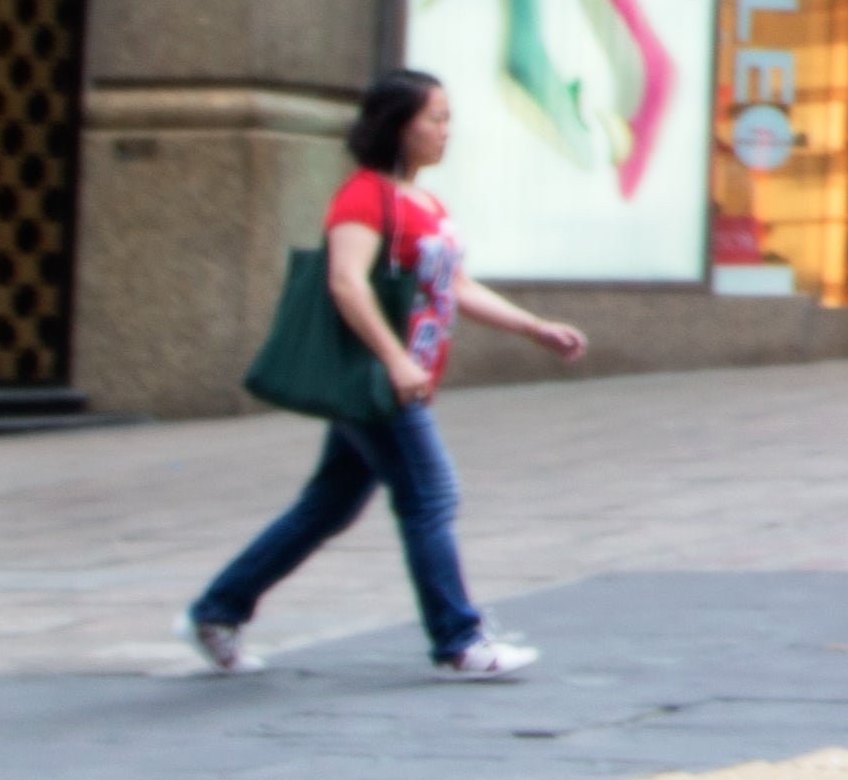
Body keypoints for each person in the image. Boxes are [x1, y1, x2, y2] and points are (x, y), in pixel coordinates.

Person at [189, 70, 580, 679]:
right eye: (436, 118)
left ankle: (219, 610)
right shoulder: (364, 195)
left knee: (328, 507)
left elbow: (455, 284)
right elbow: (345, 281)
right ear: (399, 125)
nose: (447, 131)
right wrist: (396, 359)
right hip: (377, 378)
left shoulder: (423, 203)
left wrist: (533, 328)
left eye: (448, 118)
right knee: (430, 495)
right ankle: (459, 639)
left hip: (401, 374)